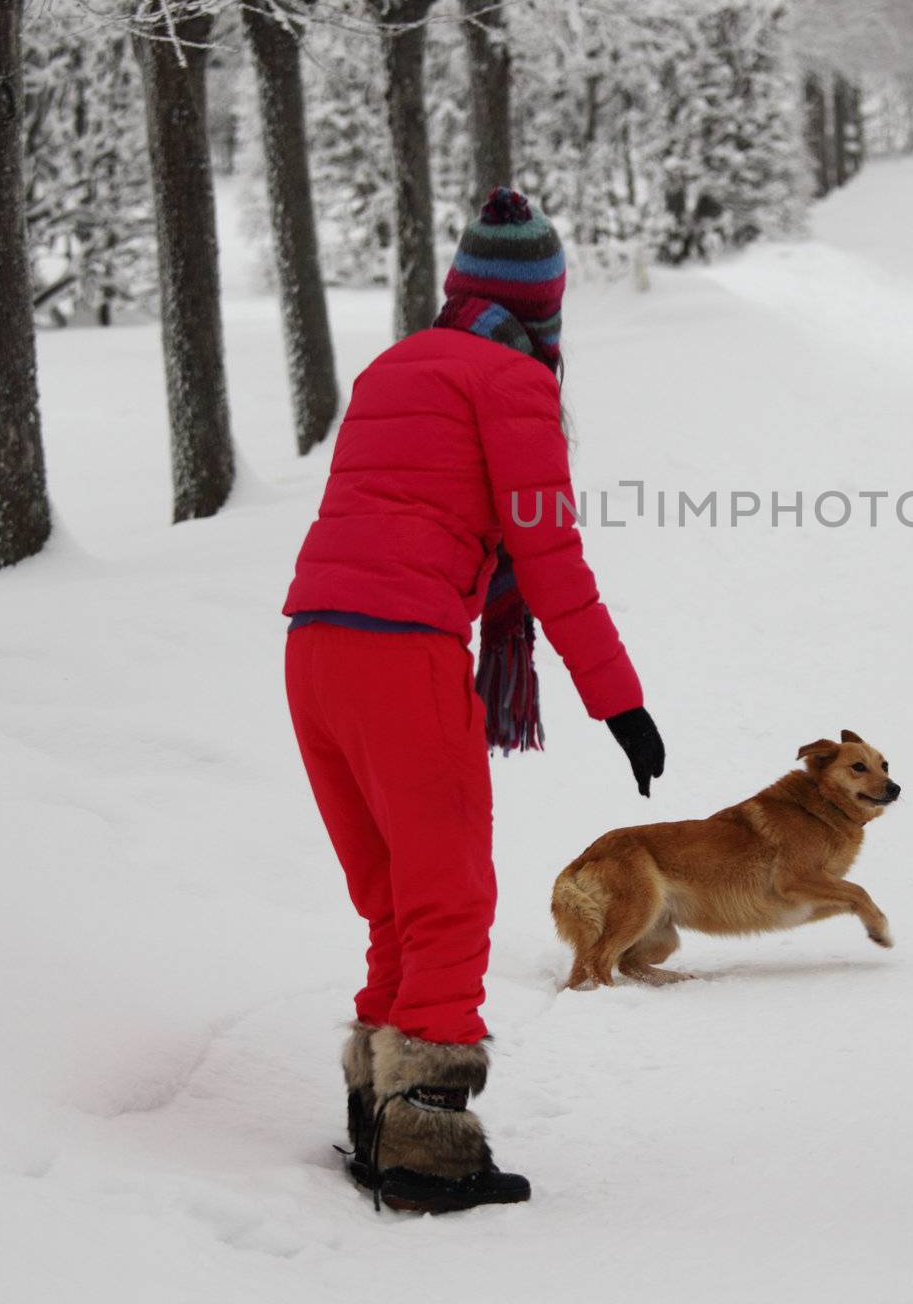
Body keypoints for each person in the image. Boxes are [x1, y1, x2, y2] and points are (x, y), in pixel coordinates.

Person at [283, 187, 665, 1214]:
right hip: (402, 655)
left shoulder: (393, 364)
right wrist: (618, 701)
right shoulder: (514, 383)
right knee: (449, 892)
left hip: (313, 644)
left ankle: (377, 1107)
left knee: (396, 892)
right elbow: (546, 551)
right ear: (545, 302)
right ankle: (430, 1143)